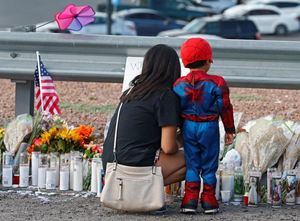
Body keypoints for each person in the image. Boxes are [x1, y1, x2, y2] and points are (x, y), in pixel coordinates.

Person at [102, 44, 186, 191]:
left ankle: (135, 192)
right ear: (173, 69)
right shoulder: (166, 96)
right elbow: (168, 147)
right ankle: (141, 191)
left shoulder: (131, 92)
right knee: (196, 159)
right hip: (133, 166)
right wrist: (182, 139)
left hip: (110, 166)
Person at [173, 38, 235, 214]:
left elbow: (174, 108)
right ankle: (208, 199)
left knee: (192, 163)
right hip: (209, 126)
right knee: (209, 163)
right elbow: (225, 107)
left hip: (188, 127)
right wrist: (230, 129)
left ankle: (189, 200)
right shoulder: (217, 82)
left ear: (185, 62)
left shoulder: (178, 84)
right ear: (209, 60)